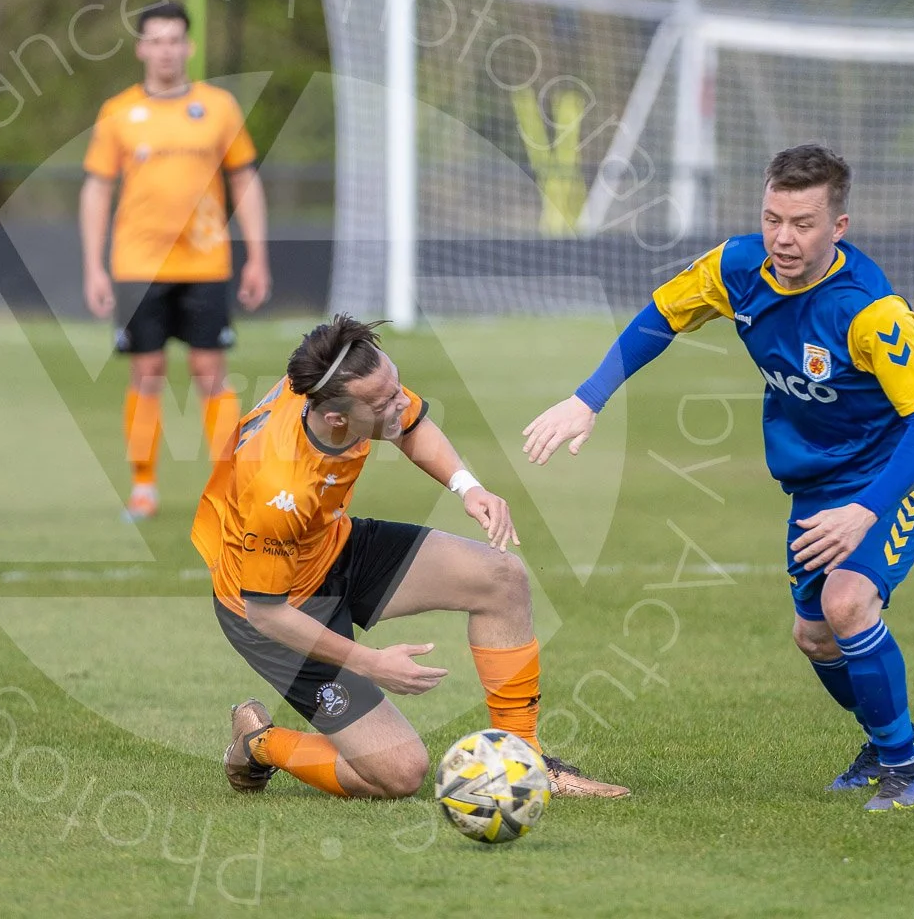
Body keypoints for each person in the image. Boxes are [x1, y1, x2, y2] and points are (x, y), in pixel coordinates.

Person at [523, 145, 914, 812]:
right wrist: (588, 399)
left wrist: (867, 510)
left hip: (895, 471)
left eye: (803, 223)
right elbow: (660, 317)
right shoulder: (736, 267)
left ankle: (902, 771)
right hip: (818, 480)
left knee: (847, 604)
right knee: (814, 635)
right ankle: (892, 738)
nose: (783, 237)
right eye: (772, 218)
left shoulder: (872, 311)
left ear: (838, 227)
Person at [193, 315, 629, 799]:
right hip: (273, 609)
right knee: (399, 774)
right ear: (337, 419)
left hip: (331, 547)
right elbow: (267, 613)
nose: (402, 402)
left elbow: (411, 426)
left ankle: (521, 760)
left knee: (502, 578)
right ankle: (259, 743)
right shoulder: (280, 489)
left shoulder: (338, 386)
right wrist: (370, 662)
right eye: (384, 403)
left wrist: (467, 487)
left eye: (396, 385)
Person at [82, 0, 270, 520]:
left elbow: (244, 180)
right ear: (141, 48)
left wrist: (257, 255)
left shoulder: (219, 107)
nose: (165, 50)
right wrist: (93, 265)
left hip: (206, 263)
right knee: (147, 371)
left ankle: (229, 488)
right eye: (156, 40)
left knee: (210, 371)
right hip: (138, 264)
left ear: (188, 47)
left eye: (174, 40)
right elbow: (97, 189)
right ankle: (143, 487)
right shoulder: (118, 112)